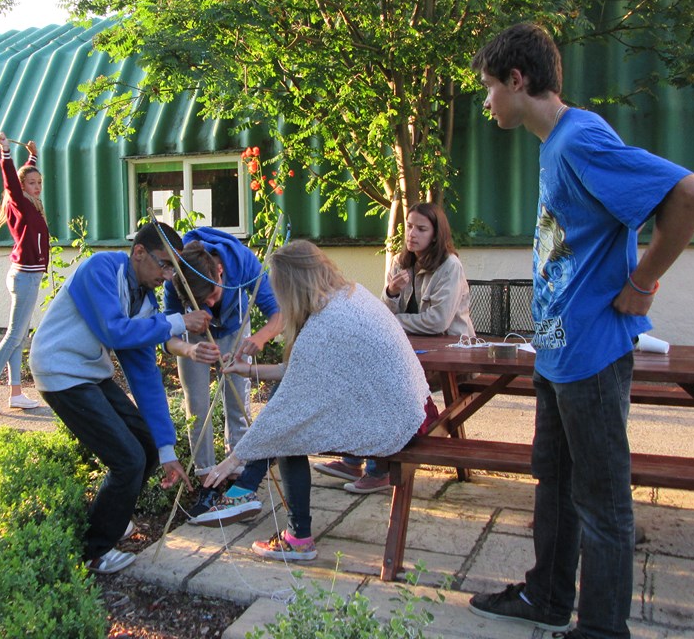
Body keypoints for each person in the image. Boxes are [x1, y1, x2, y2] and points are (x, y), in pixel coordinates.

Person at [466, 22, 694, 639]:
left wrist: (644, 282)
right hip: (558, 351)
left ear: (517, 80)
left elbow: (691, 194)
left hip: (594, 354)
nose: (487, 101)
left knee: (602, 501)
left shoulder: (580, 139)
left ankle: (602, 629)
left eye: (489, 87)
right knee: (554, 485)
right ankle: (547, 598)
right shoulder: (555, 144)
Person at [196, 240, 434, 563]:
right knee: (289, 418)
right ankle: (248, 492)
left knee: (289, 431)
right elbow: (299, 372)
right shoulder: (347, 296)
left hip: (393, 423)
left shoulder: (324, 326)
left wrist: (233, 460)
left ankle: (295, 536)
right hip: (410, 409)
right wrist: (247, 370)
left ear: (292, 288)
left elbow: (289, 408)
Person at [28, 221, 218, 574]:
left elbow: (145, 375)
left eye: (173, 269)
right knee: (128, 460)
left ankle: (111, 516)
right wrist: (177, 322)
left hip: (89, 373)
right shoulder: (100, 269)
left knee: (146, 446)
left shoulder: (143, 300)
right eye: (164, 264)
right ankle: (93, 551)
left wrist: (167, 451)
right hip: (60, 371)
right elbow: (114, 330)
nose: (167, 276)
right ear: (139, 252)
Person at [315, 202, 475, 494]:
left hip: (450, 355)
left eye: (421, 229)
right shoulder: (402, 263)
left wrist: (394, 320)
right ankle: (354, 459)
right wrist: (391, 292)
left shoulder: (449, 266)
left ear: (436, 235)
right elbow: (382, 311)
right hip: (410, 352)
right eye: (409, 227)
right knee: (361, 376)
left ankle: (381, 469)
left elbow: (437, 321)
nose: (412, 234)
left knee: (383, 383)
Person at [163, 228, 282, 478]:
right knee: (196, 404)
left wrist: (260, 337)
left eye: (213, 295)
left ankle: (238, 470)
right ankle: (205, 474)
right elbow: (166, 335)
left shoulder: (243, 262)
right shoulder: (177, 277)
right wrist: (188, 349)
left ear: (219, 270)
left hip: (234, 329)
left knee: (237, 400)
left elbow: (279, 314)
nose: (209, 304)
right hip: (194, 334)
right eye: (200, 302)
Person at [0, 133, 49, 414]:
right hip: (24, 276)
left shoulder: (31, 204)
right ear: (21, 186)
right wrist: (5, 151)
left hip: (27, 275)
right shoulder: (19, 202)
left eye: (39, 182)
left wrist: (33, 156)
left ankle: (16, 393)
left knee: (18, 337)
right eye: (32, 183)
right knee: (13, 336)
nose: (37, 187)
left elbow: (25, 174)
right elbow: (11, 179)